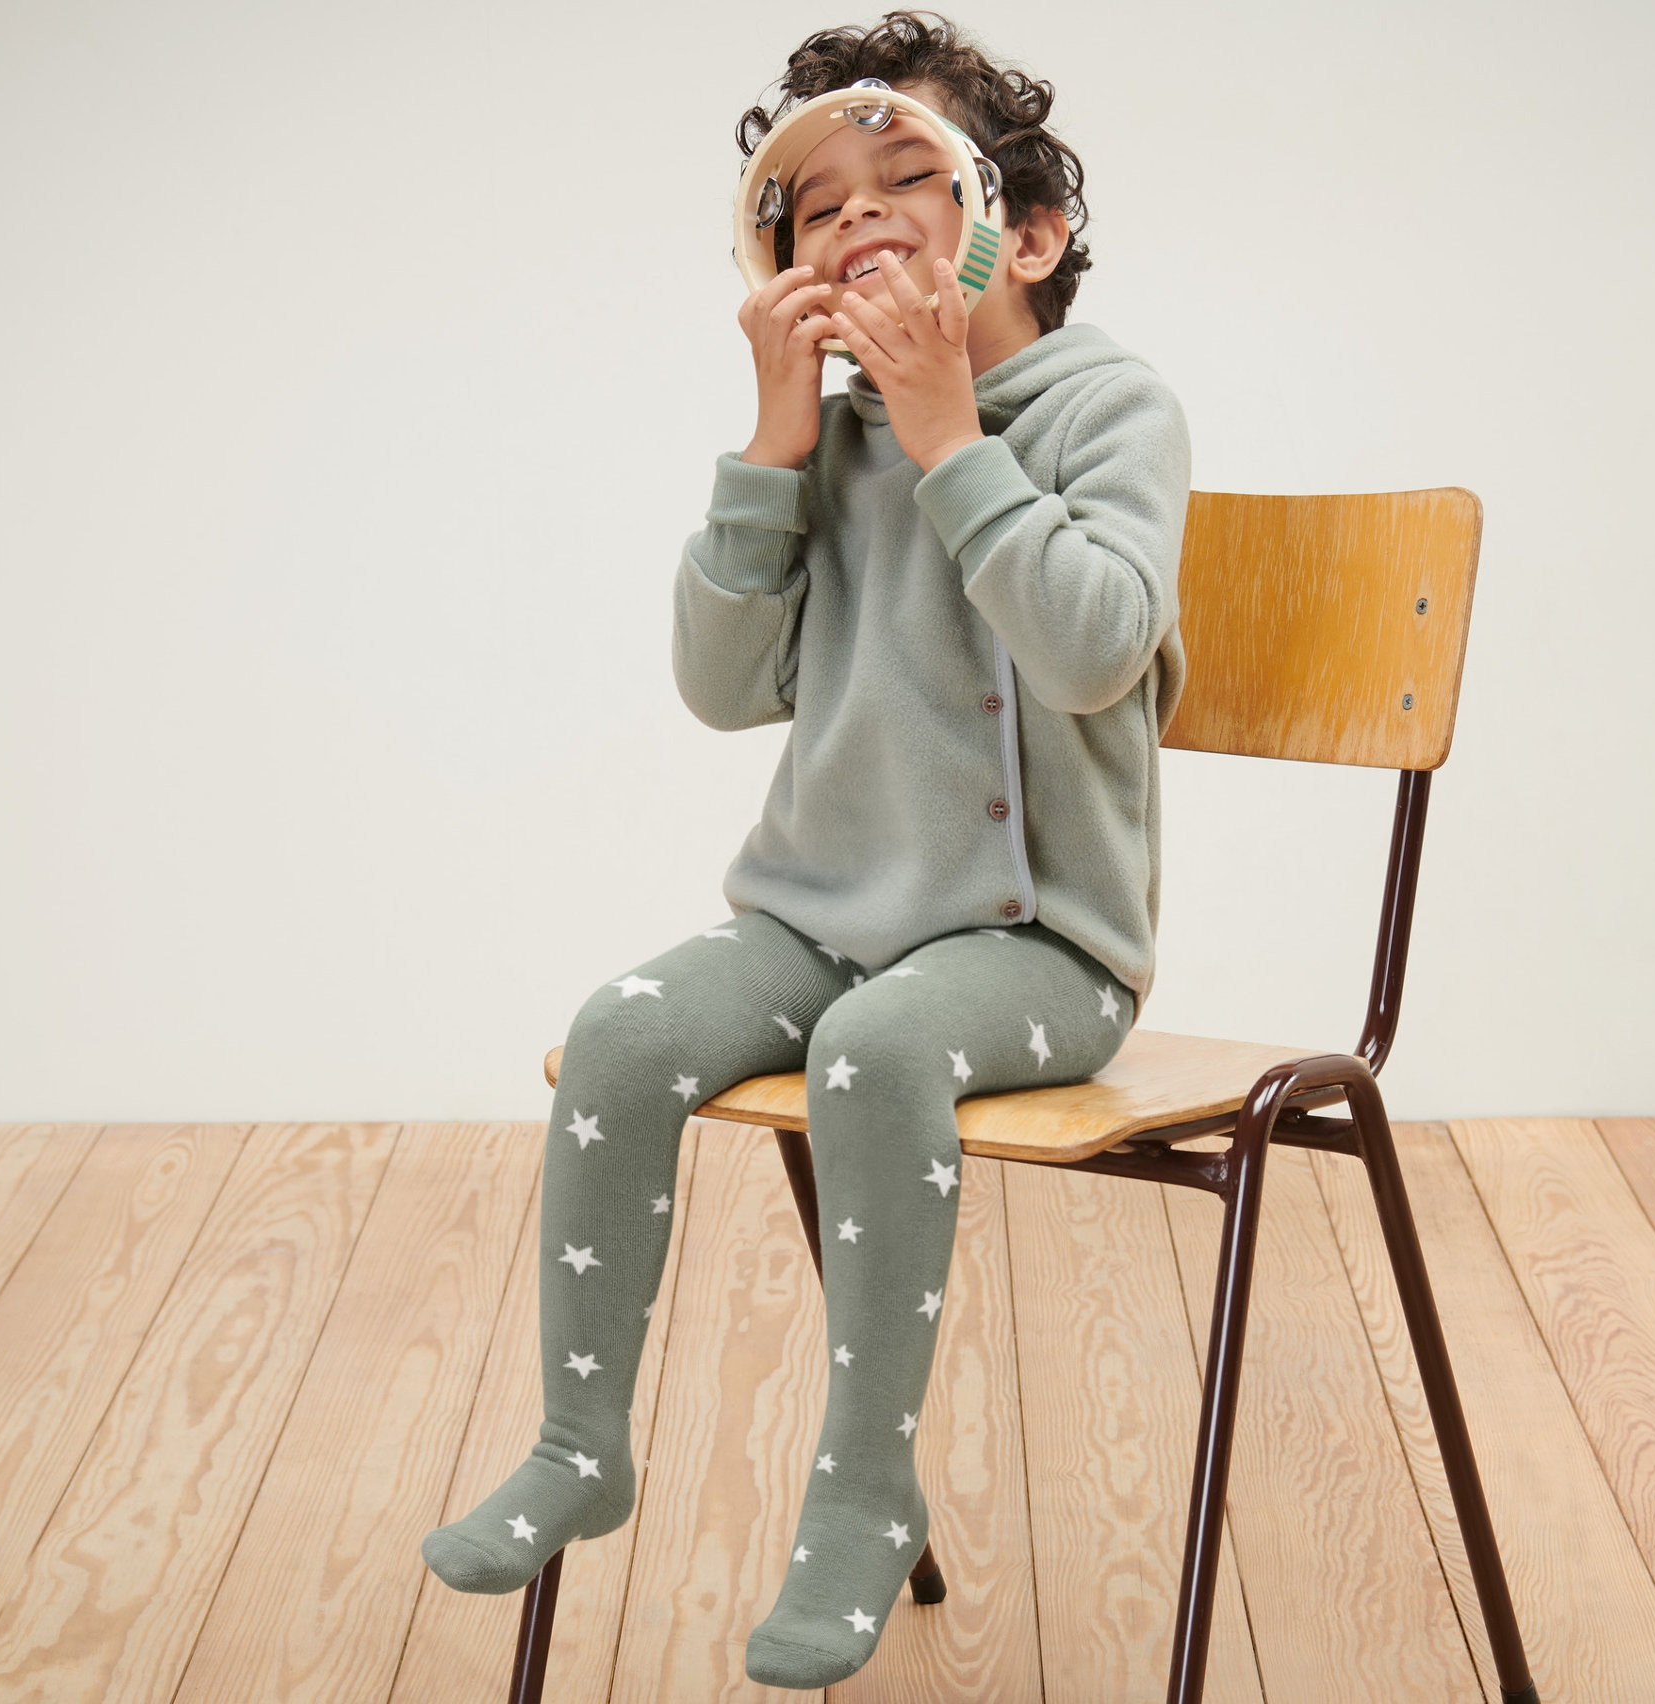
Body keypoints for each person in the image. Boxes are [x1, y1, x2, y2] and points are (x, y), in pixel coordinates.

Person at [420, 11, 1189, 1689]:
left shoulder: (1107, 407)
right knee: (624, 1027)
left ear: (1029, 234)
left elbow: (1087, 650)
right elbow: (724, 691)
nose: (859, 218)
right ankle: (578, 1440)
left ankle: (859, 1492)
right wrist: (778, 439)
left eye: (908, 175)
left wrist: (945, 436)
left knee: (876, 1048)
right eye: (815, 204)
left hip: (1038, 946)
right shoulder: (827, 442)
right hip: (820, 916)